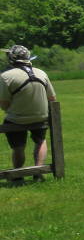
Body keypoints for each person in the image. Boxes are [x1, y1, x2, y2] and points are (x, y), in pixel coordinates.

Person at [1, 45, 56, 182]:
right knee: (41, 140)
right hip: (41, 117)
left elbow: (4, 104)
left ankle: (17, 175)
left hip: (16, 119)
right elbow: (52, 98)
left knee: (18, 147)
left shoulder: (6, 76)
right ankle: (38, 172)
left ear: (12, 59)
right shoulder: (41, 73)